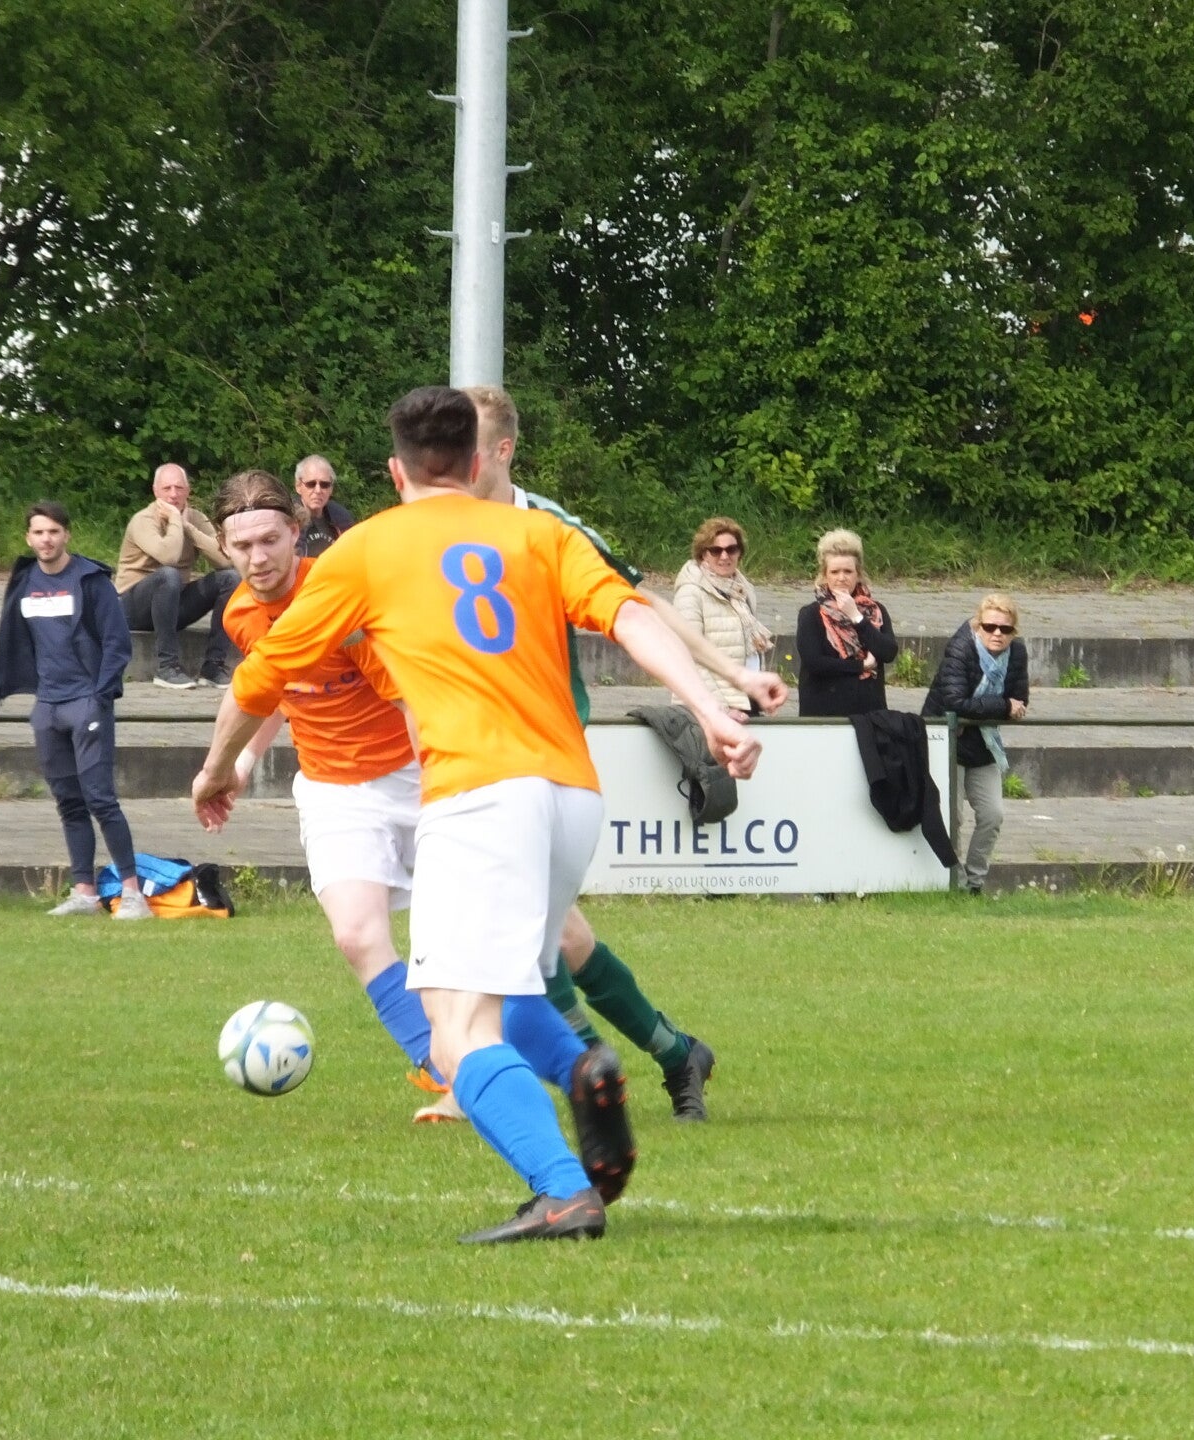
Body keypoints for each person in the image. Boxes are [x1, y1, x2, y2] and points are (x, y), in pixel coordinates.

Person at [191, 385, 760, 1244]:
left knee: (456, 1030)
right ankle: (583, 1074)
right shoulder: (539, 534)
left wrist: (214, 772)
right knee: (510, 980)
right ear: (475, 460)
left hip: (476, 793)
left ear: (396, 472)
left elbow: (259, 679)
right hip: (571, 793)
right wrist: (713, 710)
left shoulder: (368, 548)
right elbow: (630, 615)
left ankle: (562, 1188)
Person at [457, 384, 789, 1122]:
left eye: (466, 447)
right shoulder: (430, 521)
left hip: (539, 750)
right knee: (557, 931)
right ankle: (674, 1053)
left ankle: (581, 1076)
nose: (450, 461)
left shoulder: (548, 525)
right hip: (458, 752)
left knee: (525, 931)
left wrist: (732, 678)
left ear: (503, 451)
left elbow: (643, 607)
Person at [0, 504, 149, 920]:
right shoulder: (24, 582)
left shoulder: (91, 580)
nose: (45, 539)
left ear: (66, 534)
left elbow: (117, 643)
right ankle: (85, 894)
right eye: (38, 533)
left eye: (53, 531)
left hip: (87, 702)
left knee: (101, 799)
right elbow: (8, 645)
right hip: (47, 707)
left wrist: (100, 697)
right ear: (28, 538)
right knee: (68, 802)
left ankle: (133, 895)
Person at [922, 593, 1029, 895]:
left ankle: (975, 882)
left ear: (1013, 632)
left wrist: (1001, 706)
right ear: (978, 626)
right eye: (990, 626)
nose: (997, 634)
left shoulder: (1017, 653)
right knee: (952, 816)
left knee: (993, 815)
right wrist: (1002, 706)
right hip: (946, 741)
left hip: (983, 743)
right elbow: (955, 703)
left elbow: (1021, 700)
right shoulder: (960, 649)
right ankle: (951, 881)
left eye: (1005, 629)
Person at [115, 463, 240, 690]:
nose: (173, 494)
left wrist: (188, 527)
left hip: (173, 604)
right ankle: (167, 667)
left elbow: (225, 560)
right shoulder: (143, 520)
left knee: (230, 578)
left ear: (188, 491)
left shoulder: (196, 518)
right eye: (167, 488)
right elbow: (169, 557)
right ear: (155, 491)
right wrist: (175, 520)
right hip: (132, 607)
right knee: (168, 575)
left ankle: (213, 666)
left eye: (179, 488)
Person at [672, 517, 774, 715]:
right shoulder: (690, 592)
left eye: (731, 549)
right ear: (704, 554)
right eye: (716, 550)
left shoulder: (743, 590)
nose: (724, 556)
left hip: (746, 700)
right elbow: (689, 656)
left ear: (739, 552)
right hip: (712, 707)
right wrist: (719, 707)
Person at [796, 529, 897, 717]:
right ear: (825, 575)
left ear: (858, 574)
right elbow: (814, 662)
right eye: (835, 572)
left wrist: (856, 617)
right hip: (824, 714)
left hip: (869, 714)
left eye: (848, 571)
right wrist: (861, 666)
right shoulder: (811, 614)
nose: (841, 578)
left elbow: (888, 652)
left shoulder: (876, 611)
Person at [293, 454, 355, 558]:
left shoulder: (341, 518)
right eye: (311, 484)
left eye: (324, 485)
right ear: (298, 486)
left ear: (331, 489)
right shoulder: (287, 519)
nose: (318, 490)